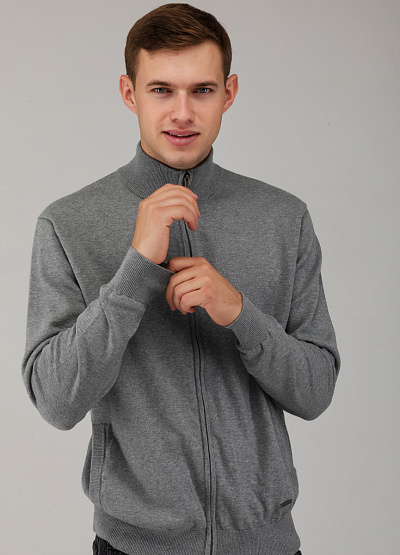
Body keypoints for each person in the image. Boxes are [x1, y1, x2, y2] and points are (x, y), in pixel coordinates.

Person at [22, 4, 340, 555]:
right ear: (130, 93)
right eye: (162, 90)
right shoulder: (67, 223)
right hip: (134, 547)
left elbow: (315, 392)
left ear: (229, 93)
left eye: (202, 90)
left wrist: (240, 314)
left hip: (265, 544)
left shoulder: (283, 218)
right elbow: (56, 400)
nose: (183, 113)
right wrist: (135, 270)